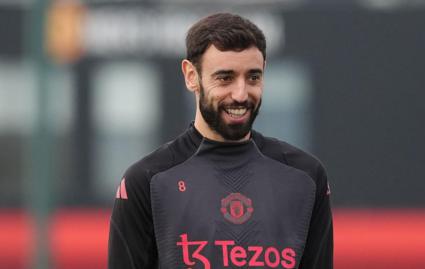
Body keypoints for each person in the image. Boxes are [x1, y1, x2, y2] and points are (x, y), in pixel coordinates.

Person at [108, 12, 333, 269]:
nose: (240, 94)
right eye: (225, 78)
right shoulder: (146, 180)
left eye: (253, 77)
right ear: (191, 76)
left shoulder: (306, 177)